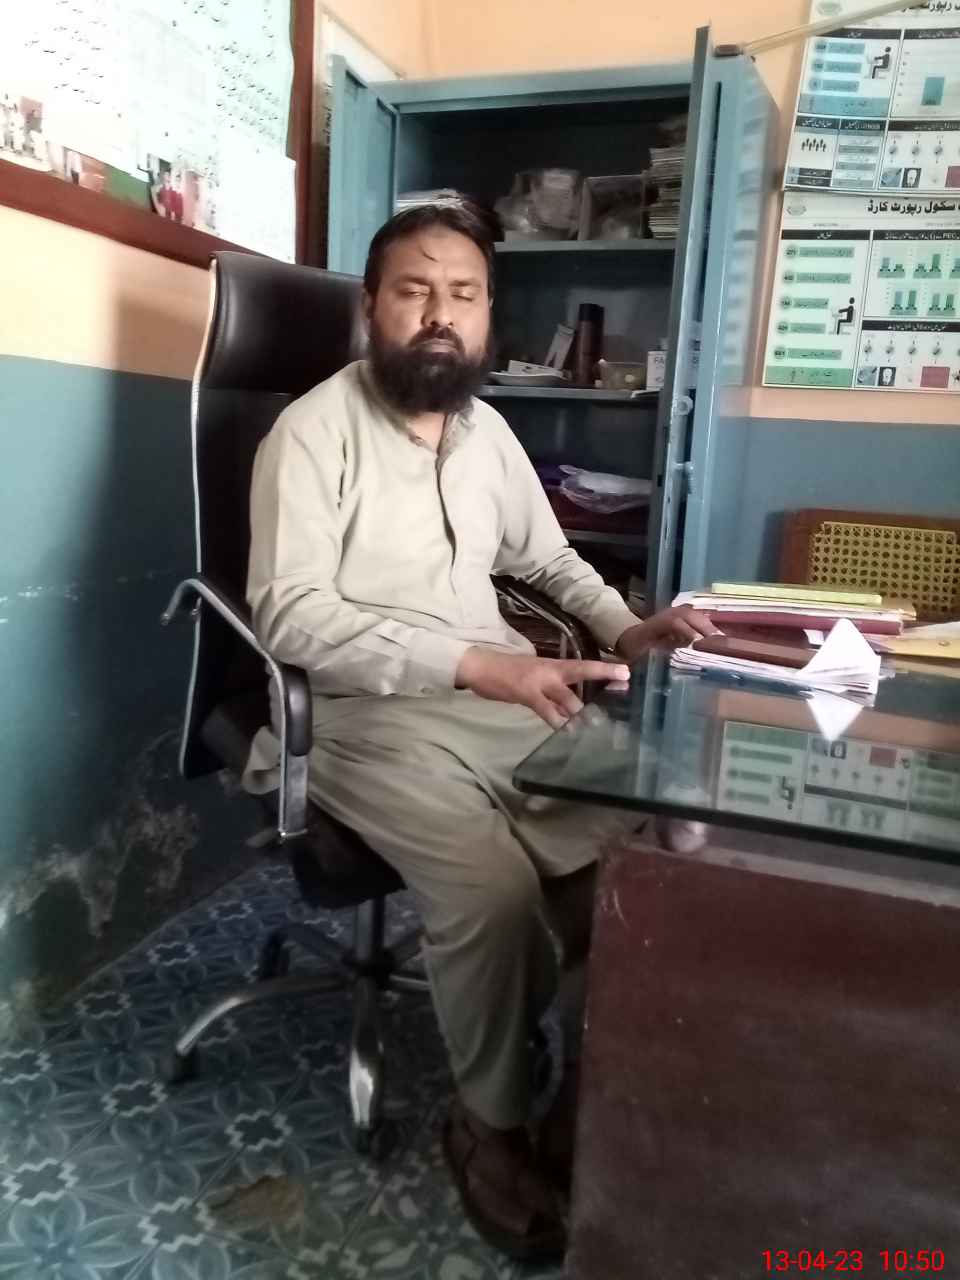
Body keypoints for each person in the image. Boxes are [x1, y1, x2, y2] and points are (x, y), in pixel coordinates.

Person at [244, 198, 715, 1261]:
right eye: (414, 291)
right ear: (373, 307)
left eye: (462, 294)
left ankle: (588, 1086)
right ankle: (488, 1125)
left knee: (637, 853)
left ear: (489, 315)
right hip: (361, 716)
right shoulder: (310, 434)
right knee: (492, 892)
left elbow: (546, 558)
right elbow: (290, 617)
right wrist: (474, 662)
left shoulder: (486, 433)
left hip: (499, 697)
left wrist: (627, 626)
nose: (439, 314)